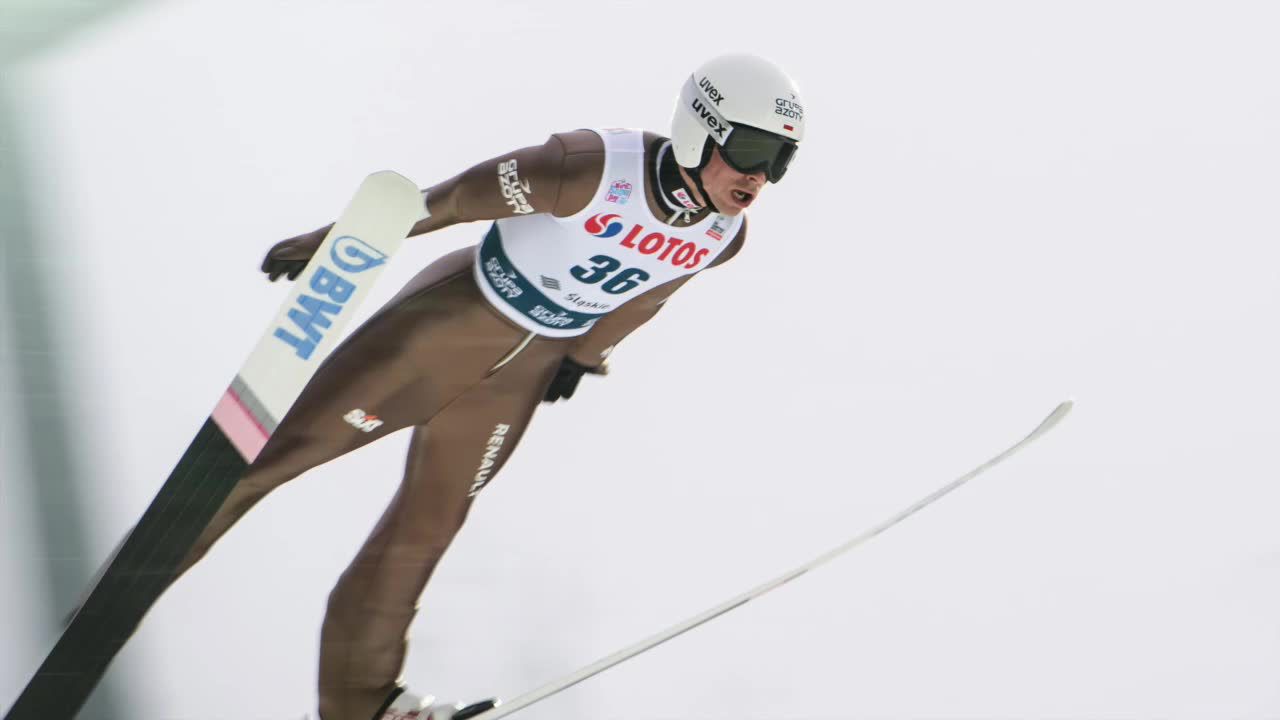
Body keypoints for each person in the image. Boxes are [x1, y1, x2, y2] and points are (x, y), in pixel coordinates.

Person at [180, 52, 805, 720]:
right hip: (448, 328)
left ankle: (357, 703)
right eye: (752, 150)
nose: (759, 176)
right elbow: (444, 202)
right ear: (698, 128)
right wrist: (332, 241)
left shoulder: (722, 234)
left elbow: (647, 296)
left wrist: (585, 357)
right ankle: (124, 589)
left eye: (781, 161)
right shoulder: (589, 169)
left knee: (425, 530)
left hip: (517, 378)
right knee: (273, 460)